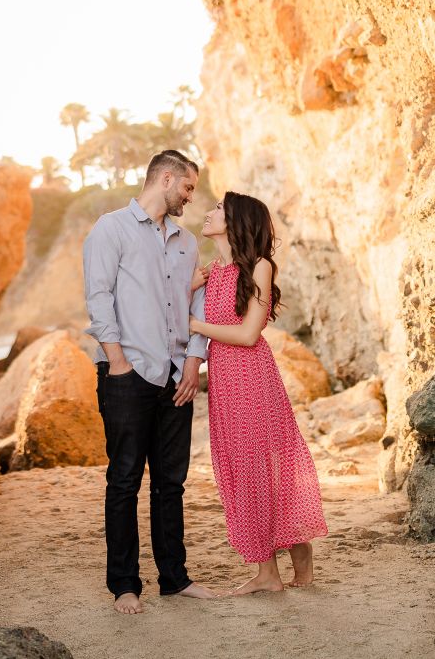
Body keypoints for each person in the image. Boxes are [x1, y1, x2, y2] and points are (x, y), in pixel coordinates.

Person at [83, 149, 217, 614]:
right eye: (187, 187)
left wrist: (195, 364)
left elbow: (195, 305)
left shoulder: (186, 242)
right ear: (165, 179)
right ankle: (124, 586)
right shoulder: (111, 229)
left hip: (177, 376)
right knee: (123, 481)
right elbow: (98, 297)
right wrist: (117, 361)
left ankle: (174, 580)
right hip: (128, 374)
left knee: (171, 485)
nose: (189, 197)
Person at [189, 192, 328, 595]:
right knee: (243, 470)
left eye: (217, 208)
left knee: (267, 467)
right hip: (224, 383)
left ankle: (293, 562)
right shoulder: (213, 271)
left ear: (234, 220)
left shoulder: (259, 266)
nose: (210, 212)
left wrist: (195, 325)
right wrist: (187, 291)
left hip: (251, 377)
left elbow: (249, 334)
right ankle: (269, 572)